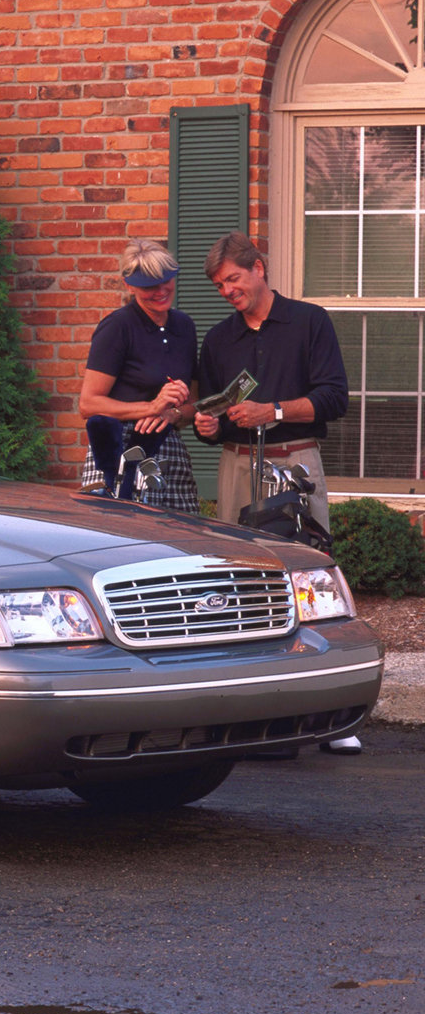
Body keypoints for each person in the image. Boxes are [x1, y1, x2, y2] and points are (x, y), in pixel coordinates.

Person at [193, 230, 359, 755]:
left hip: (297, 461)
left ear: (259, 267)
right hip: (237, 465)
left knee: (309, 581)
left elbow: (335, 398)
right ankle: (251, 715)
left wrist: (277, 411)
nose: (228, 292)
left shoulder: (309, 322)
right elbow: (213, 413)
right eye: (220, 285)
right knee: (242, 585)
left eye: (234, 280)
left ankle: (334, 716)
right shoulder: (219, 340)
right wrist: (207, 426)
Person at [77, 238, 200, 512]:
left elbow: (194, 404)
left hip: (169, 449)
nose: (159, 291)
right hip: (117, 453)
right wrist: (152, 406)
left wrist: (174, 414)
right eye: (148, 286)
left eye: (164, 281)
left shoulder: (185, 327)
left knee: (183, 542)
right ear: (129, 285)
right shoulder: (117, 327)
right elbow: (88, 404)